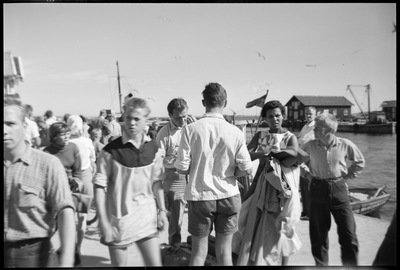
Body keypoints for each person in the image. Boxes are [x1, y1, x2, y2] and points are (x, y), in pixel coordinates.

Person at [174, 82, 253, 266]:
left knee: (198, 254)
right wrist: (232, 171)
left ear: (204, 102)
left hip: (200, 195)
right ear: (225, 102)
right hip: (228, 195)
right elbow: (247, 168)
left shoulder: (190, 130)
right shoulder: (235, 132)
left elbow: (182, 168)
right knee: (225, 253)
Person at [93, 97, 167, 266]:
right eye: (128, 118)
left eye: (136, 119)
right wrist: (103, 222)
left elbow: (157, 182)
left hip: (146, 218)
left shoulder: (154, 148)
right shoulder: (109, 152)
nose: (131, 123)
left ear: (145, 120)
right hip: (120, 221)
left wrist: (162, 211)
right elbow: (99, 187)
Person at [4, 96, 76, 267]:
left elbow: (65, 211)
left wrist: (67, 260)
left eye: (10, 124)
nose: (4, 130)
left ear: (24, 127)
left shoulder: (47, 164)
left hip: (34, 256)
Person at [233, 100, 302, 266]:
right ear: (265, 118)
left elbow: (295, 153)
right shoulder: (261, 136)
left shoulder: (289, 137)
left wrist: (279, 152)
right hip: (261, 184)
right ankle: (256, 257)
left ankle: (283, 262)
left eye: (277, 115)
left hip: (281, 188)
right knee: (249, 217)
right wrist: (262, 153)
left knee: (282, 224)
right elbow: (246, 154)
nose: (274, 119)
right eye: (270, 116)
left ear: (283, 116)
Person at [300, 113, 365, 266]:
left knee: (349, 235)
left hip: (340, 191)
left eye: (317, 128)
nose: (313, 130)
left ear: (328, 130)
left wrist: (347, 177)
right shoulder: (309, 145)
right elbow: (297, 161)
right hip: (317, 189)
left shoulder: (345, 144)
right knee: (318, 236)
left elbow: (359, 162)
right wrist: (308, 176)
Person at [156, 98, 196, 248]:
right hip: (175, 177)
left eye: (185, 116)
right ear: (170, 115)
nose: (182, 120)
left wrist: (196, 126)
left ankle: (194, 247)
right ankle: (175, 247)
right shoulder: (163, 134)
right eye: (178, 117)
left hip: (194, 175)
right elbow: (159, 161)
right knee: (176, 218)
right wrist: (177, 161)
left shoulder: (192, 125)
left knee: (197, 216)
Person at [67, 115, 96, 265]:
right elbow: (93, 159)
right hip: (86, 178)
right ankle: (79, 247)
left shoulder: (67, 142)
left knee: (70, 217)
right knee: (83, 217)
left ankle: (70, 248)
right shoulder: (87, 141)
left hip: (71, 181)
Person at [297, 106, 317, 220]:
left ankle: (310, 212)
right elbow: (300, 139)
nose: (308, 115)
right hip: (302, 157)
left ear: (315, 114)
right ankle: (305, 210)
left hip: (310, 159)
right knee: (303, 186)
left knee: (309, 186)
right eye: (306, 113)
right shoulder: (305, 126)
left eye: (310, 114)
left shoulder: (315, 126)